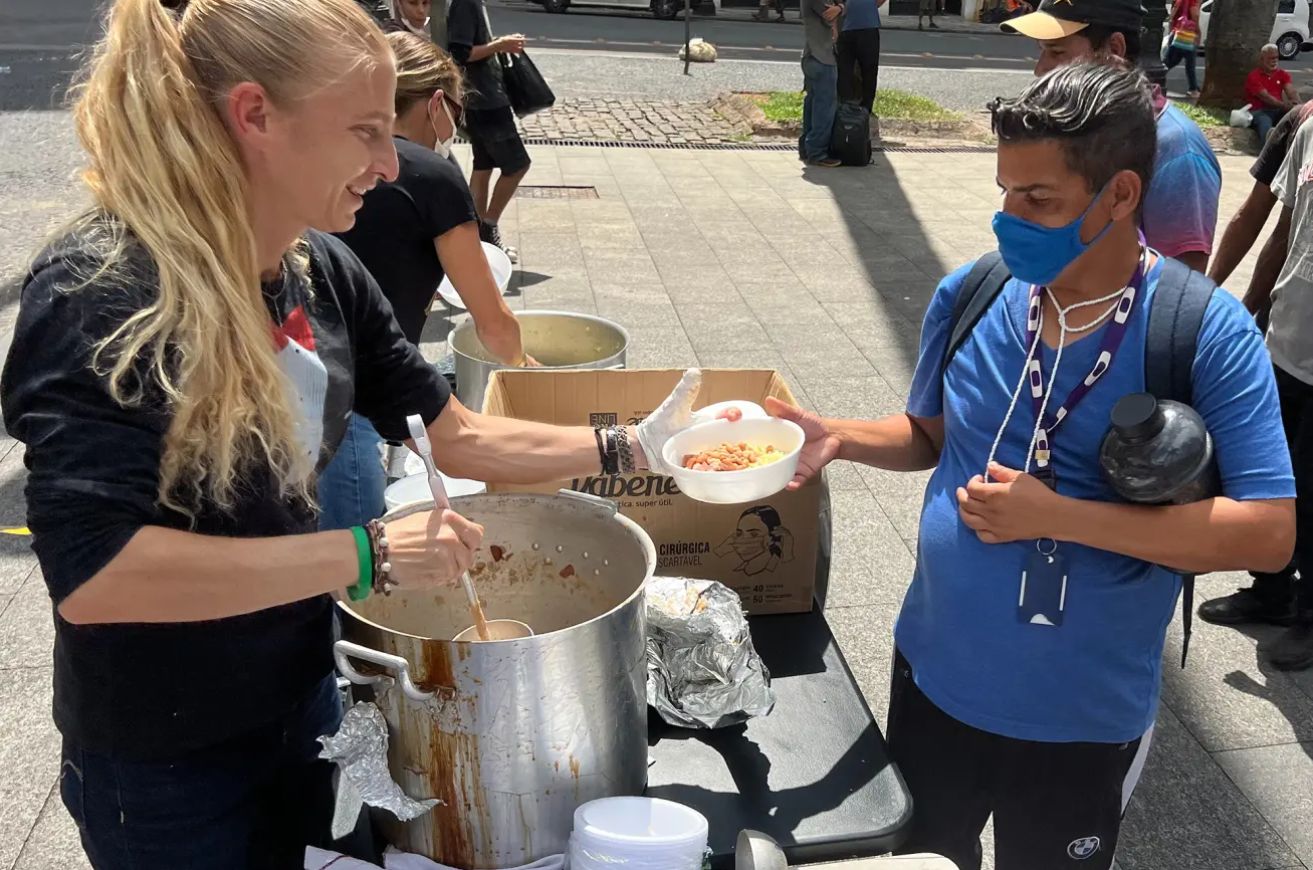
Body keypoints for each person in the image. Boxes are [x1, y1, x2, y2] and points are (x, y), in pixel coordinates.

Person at [0, 0, 702, 865]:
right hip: (164, 753)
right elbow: (98, 577)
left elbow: (457, 437)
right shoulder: (104, 290)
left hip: (298, 699)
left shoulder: (319, 268)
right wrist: (365, 554)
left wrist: (637, 449)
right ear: (255, 114)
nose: (389, 163)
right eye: (366, 131)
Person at [769, 64, 1294, 870]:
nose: (1006, 218)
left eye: (1037, 199)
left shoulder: (1203, 332)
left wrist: (1057, 517)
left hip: (1080, 714)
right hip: (936, 675)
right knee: (923, 858)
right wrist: (835, 434)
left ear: (1119, 195)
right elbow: (928, 437)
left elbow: (1266, 536)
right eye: (1004, 191)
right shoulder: (974, 292)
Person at [323, 32, 538, 530]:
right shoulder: (430, 175)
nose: (455, 127)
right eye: (458, 113)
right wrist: (526, 373)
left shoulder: (325, 156)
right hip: (352, 399)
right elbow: (494, 324)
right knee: (357, 569)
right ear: (437, 103)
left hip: (294, 381)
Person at [1199, 110, 1313, 670]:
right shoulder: (1310, 131)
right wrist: (1241, 310)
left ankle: (1310, 616)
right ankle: (1272, 590)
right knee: (1274, 479)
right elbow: (1284, 231)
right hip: (1287, 342)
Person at [1002, 0, 1221, 275]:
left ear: (1114, 50)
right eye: (1042, 51)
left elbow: (1177, 286)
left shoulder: (1176, 150)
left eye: (1057, 52)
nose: (1040, 69)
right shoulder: (1074, 131)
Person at [447, 0, 529, 263]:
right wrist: (500, 45)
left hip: (481, 99)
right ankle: (488, 226)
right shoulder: (466, 3)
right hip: (486, 103)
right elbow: (460, 52)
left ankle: (477, 240)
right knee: (518, 165)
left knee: (483, 168)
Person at [800, 0, 845, 168]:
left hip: (813, 55)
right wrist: (841, 8)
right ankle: (817, 152)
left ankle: (807, 146)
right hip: (821, 57)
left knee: (813, 103)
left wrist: (838, 7)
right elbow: (830, 15)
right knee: (824, 107)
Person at [837, 0, 885, 129]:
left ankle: (864, 110)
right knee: (845, 71)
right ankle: (846, 108)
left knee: (868, 71)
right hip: (850, 27)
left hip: (865, 27)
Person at [1246, 44, 1301, 144]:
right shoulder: (1254, 76)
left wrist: (1298, 105)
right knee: (1265, 124)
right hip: (1260, 111)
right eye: (1271, 58)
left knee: (1297, 118)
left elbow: (1291, 91)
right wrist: (1284, 105)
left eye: (1276, 58)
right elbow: (1265, 97)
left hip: (1277, 110)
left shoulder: (1282, 74)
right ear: (1262, 59)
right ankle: (1267, 152)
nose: (1274, 61)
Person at [1162, 0, 1200, 98]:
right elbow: (1195, 16)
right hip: (1188, 36)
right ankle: (1193, 89)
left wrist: (1172, 31)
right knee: (1190, 65)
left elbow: (1171, 17)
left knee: (1170, 61)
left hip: (1176, 34)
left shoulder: (1179, 1)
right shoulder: (1193, 2)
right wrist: (1198, 33)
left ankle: (1154, 78)